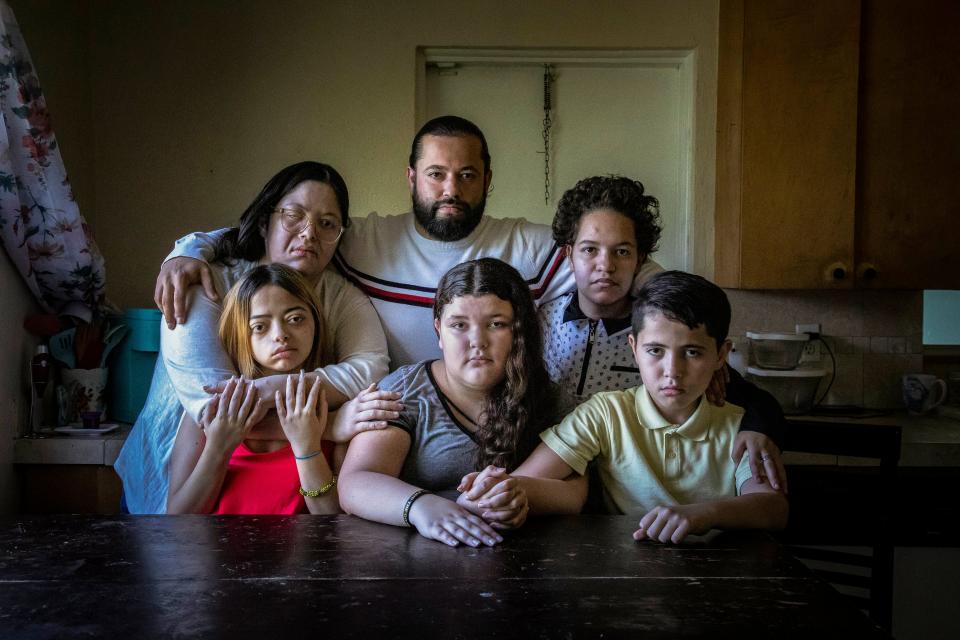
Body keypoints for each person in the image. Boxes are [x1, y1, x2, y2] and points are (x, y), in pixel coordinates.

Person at [153, 116, 781, 481]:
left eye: (467, 175)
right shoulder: (358, 238)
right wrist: (190, 248)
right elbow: (275, 237)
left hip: (504, 432)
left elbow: (625, 266)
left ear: (487, 180)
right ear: (412, 179)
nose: (451, 189)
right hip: (390, 428)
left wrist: (735, 386)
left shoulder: (532, 247)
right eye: (436, 174)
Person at [115, 162, 397, 514]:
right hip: (179, 459)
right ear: (266, 221)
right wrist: (328, 426)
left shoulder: (341, 296)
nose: (309, 234)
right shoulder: (206, 282)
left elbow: (370, 369)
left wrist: (268, 390)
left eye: (327, 224)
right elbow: (214, 409)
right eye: (294, 215)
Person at [463, 271, 789, 544]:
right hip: (623, 572)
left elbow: (773, 509)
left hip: (721, 580)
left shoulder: (743, 427)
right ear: (634, 348)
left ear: (721, 355)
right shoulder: (606, 413)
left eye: (692, 352)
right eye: (655, 351)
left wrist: (704, 513)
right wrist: (499, 489)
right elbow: (527, 479)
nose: (671, 371)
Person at [539, 176, 787, 487]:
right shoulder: (540, 322)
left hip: (633, 495)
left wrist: (758, 428)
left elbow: (757, 402)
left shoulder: (663, 334)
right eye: (590, 250)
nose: (606, 265)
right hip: (555, 483)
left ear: (640, 259)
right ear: (568, 256)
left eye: (622, 252)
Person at [336, 258, 552, 547]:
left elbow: (577, 487)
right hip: (416, 560)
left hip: (526, 561)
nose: (477, 340)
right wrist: (420, 506)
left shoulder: (545, 394)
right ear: (439, 330)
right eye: (459, 325)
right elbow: (356, 483)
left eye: (496, 324)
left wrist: (522, 495)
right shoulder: (405, 390)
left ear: (519, 330)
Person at [167, 264, 339, 514]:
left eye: (295, 319)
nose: (281, 335)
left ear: (316, 323)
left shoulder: (337, 405)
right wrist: (219, 447)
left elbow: (334, 522)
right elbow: (176, 518)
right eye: (260, 326)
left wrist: (307, 448)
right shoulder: (213, 407)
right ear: (240, 335)